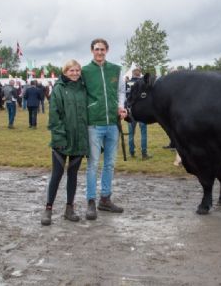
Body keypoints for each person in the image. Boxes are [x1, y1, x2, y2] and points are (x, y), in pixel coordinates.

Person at [82, 38, 126, 220]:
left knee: (109, 163)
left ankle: (105, 199)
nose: (99, 52)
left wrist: (121, 106)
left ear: (107, 50)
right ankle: (91, 201)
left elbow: (121, 91)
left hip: (112, 124)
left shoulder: (116, 69)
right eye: (96, 49)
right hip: (94, 123)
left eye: (102, 49)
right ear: (92, 51)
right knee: (93, 164)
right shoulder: (85, 71)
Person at [41, 60, 89, 226]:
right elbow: (55, 117)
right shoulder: (59, 90)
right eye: (71, 70)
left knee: (73, 175)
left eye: (77, 70)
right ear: (65, 72)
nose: (75, 73)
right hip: (62, 140)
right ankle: (48, 208)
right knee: (57, 174)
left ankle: (69, 208)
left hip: (78, 140)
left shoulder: (83, 89)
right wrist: (59, 138)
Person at [127, 66, 152, 160]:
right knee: (143, 133)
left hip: (130, 111)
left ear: (132, 73)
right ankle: (144, 153)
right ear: (140, 73)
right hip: (141, 112)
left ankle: (131, 152)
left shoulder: (127, 82)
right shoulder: (143, 83)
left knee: (131, 133)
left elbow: (126, 97)